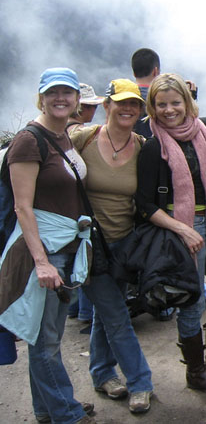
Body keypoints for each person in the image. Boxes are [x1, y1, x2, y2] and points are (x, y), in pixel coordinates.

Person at [0, 67, 96, 423]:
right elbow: (22, 206)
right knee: (45, 342)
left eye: (67, 93)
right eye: (53, 92)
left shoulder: (63, 137)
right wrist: (41, 262)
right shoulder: (30, 140)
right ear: (40, 97)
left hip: (66, 248)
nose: (61, 98)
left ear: (76, 100)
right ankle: (66, 413)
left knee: (47, 337)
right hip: (43, 252)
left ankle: (47, 410)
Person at [134, 73, 206, 392]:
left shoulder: (204, 131)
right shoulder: (153, 147)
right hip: (178, 230)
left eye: (175, 103)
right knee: (191, 298)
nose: (169, 110)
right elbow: (143, 203)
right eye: (161, 105)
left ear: (187, 103)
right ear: (153, 107)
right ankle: (197, 372)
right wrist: (181, 229)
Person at [69, 79, 154, 414]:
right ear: (107, 106)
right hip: (89, 246)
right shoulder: (83, 138)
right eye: (121, 103)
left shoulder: (142, 146)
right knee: (117, 314)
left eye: (134, 104)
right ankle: (140, 382)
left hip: (125, 244)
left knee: (109, 311)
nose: (128, 109)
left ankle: (102, 372)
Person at [66, 83, 104, 331]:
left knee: (75, 257)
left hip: (66, 208)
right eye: (91, 106)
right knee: (88, 259)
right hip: (85, 206)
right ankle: (87, 313)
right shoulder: (86, 134)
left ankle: (75, 308)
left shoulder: (59, 133)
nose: (93, 111)